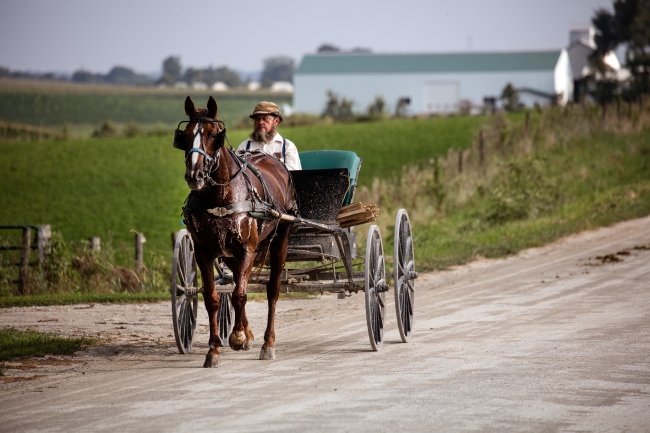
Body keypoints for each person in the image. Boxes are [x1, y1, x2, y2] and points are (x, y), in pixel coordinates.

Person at [237, 102, 302, 170]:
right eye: (257, 119)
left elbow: (293, 176)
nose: (260, 122)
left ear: (276, 121)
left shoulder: (287, 147)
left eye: (265, 118)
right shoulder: (244, 147)